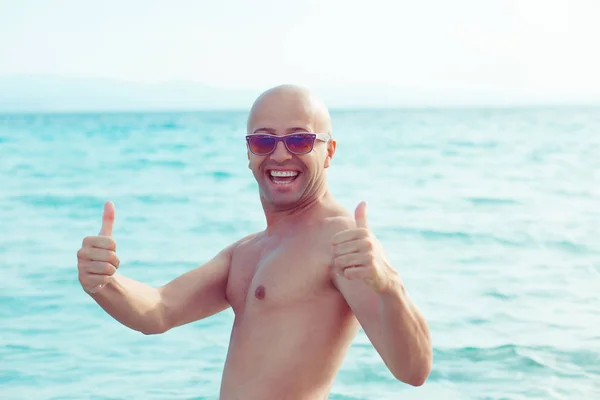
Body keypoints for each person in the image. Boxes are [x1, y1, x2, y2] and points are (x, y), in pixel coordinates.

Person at [76, 84, 433, 399]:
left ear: (329, 152)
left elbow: (413, 371)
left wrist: (389, 288)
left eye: (299, 139)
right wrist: (104, 283)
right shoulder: (247, 252)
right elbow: (159, 310)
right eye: (263, 140)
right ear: (249, 154)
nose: (280, 155)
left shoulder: (339, 240)